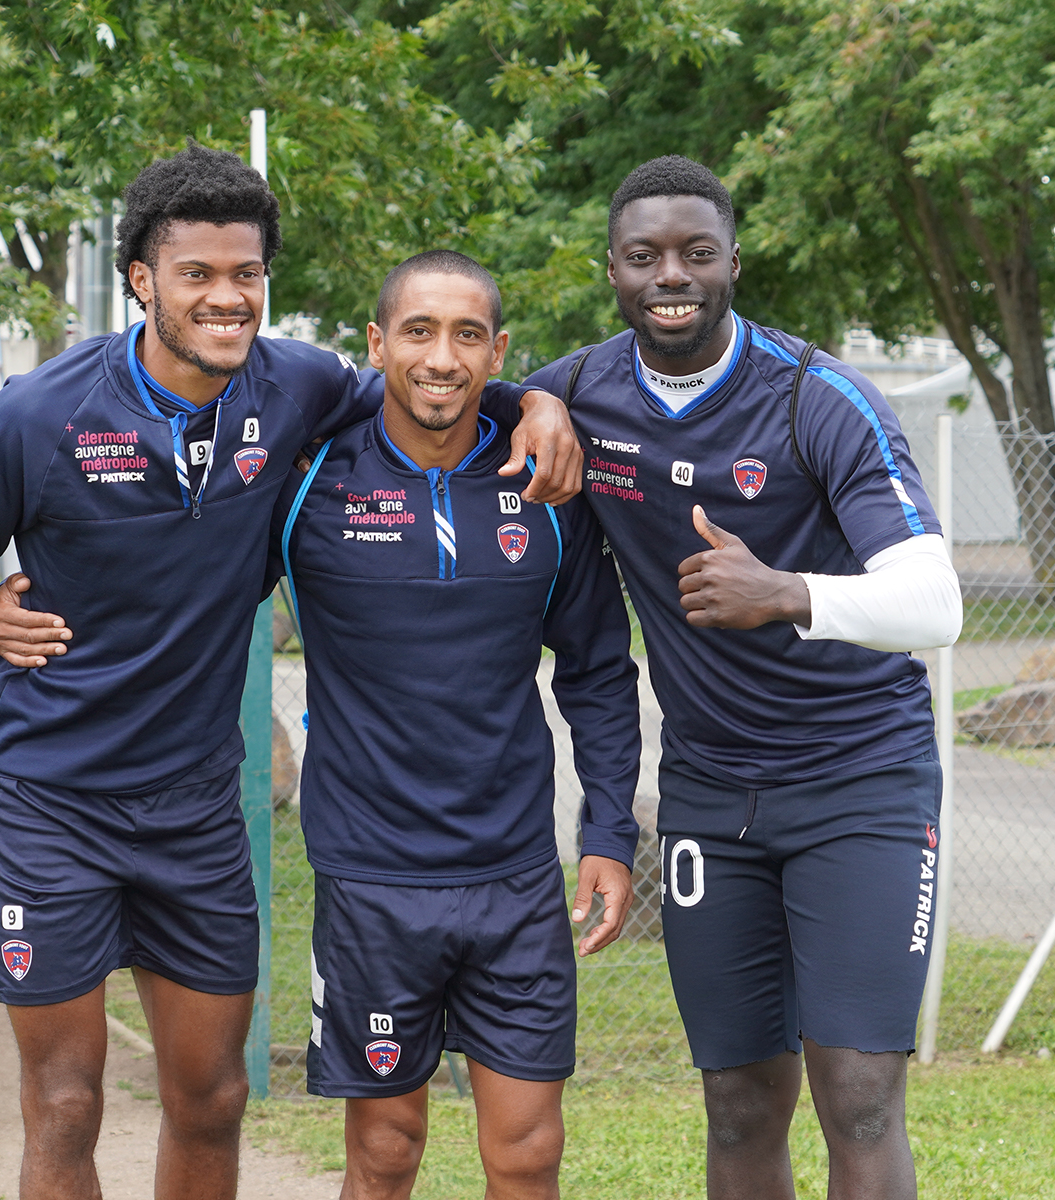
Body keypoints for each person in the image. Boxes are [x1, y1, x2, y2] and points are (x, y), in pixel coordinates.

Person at [0, 144, 581, 1200]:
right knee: (68, 1103)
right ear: (141, 280)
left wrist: (536, 402)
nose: (228, 298)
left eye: (246, 275)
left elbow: (432, 380)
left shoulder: (300, 385)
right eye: (197, 275)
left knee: (213, 1099)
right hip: (52, 806)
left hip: (195, 812)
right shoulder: (41, 417)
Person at [519, 156, 963, 1200]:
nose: (669, 275)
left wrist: (788, 592)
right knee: (740, 1102)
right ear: (614, 272)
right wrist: (529, 400)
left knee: (855, 1090)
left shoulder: (820, 398)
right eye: (643, 257)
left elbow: (935, 604)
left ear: (731, 263)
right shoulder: (580, 391)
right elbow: (468, 395)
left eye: (695, 252)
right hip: (712, 801)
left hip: (861, 788)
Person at [271, 252, 639, 1199]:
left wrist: (607, 833)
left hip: (514, 878)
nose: (443, 357)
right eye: (420, 332)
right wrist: (15, 606)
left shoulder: (549, 487)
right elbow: (171, 568)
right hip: (370, 880)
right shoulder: (309, 482)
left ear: (498, 350)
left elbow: (597, 673)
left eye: (468, 335)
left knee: (527, 1155)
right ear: (377, 344)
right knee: (385, 1153)